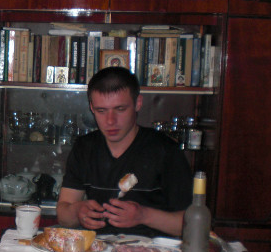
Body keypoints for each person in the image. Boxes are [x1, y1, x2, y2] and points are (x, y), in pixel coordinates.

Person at [56, 66, 192, 237]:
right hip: (98, 248)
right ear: (91, 107)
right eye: (101, 111)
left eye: (120, 109)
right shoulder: (85, 147)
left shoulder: (165, 150)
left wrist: (144, 216)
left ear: (138, 103)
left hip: (152, 249)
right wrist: (77, 211)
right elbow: (64, 215)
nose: (110, 121)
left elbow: (192, 225)